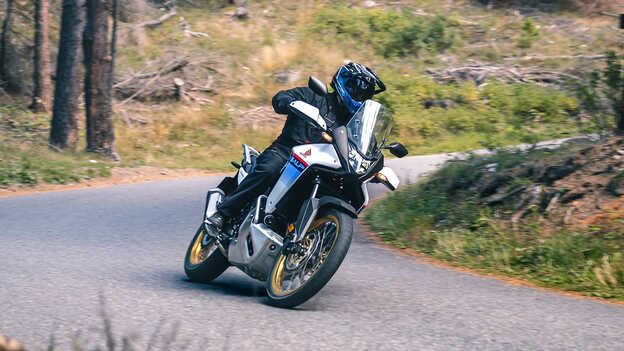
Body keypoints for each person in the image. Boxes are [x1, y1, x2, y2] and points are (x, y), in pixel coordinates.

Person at [205, 62, 385, 233]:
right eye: (357, 89)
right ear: (344, 83)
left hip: (322, 167)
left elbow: (366, 147)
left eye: (366, 94)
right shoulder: (314, 96)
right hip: (287, 152)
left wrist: (373, 167)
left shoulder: (355, 124)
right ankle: (223, 214)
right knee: (268, 170)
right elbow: (281, 97)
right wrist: (288, 102)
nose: (360, 96)